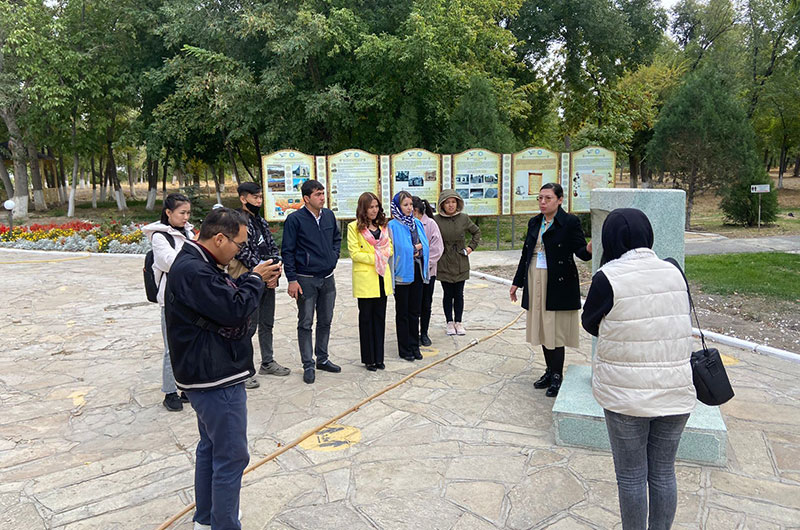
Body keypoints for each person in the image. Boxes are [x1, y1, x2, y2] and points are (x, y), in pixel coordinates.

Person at [164, 207, 281, 530]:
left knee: (211, 448)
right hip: (215, 376)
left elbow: (219, 299)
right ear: (218, 238)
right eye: (238, 244)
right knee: (231, 456)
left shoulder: (196, 261)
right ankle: (224, 523)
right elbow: (233, 309)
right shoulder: (194, 270)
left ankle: (206, 518)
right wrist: (255, 279)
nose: (239, 251)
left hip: (204, 372)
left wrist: (249, 279)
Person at [581, 208, 695, 530]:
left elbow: (590, 323)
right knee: (663, 472)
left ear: (609, 238)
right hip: (675, 389)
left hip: (625, 394)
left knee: (631, 477)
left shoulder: (607, 277)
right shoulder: (673, 270)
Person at [509, 183, 591, 397]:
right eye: (540, 198)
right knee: (543, 328)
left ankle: (557, 375)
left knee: (554, 330)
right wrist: (517, 282)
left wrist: (591, 247)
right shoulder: (535, 222)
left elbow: (581, 252)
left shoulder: (570, 222)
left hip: (557, 281)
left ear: (560, 200)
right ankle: (549, 370)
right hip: (534, 277)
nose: (543, 202)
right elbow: (526, 254)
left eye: (548, 198)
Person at [281, 179, 342, 384]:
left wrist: (333, 257)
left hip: (327, 278)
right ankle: (308, 364)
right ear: (306, 198)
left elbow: (336, 239)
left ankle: (322, 358)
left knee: (326, 320)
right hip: (305, 279)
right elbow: (287, 250)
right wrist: (291, 279)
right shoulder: (295, 220)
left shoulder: (329, 216)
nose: (322, 198)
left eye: (323, 193)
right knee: (306, 322)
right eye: (318, 194)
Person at [233, 182, 290, 390]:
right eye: (255, 197)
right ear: (243, 198)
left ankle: (267, 361)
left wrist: (275, 269)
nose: (259, 201)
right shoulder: (237, 221)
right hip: (250, 280)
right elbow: (242, 251)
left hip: (268, 280)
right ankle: (242, 370)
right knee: (248, 326)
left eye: (260, 197)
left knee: (267, 323)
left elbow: (272, 247)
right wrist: (262, 273)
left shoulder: (261, 221)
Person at [142, 193, 194, 412]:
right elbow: (171, 263)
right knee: (171, 347)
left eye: (188, 213)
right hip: (171, 299)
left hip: (191, 297)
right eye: (182, 213)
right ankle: (170, 392)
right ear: (168, 212)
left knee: (190, 344)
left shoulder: (189, 232)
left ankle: (186, 387)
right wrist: (193, 260)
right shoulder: (159, 236)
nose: (186, 217)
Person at [347, 192, 393, 371]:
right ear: (363, 209)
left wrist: (382, 255)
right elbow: (355, 253)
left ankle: (379, 357)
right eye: (370, 207)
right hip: (365, 279)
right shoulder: (354, 227)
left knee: (380, 318)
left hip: (382, 277)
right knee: (366, 319)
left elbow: (389, 248)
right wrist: (376, 257)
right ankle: (369, 359)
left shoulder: (383, 226)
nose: (374, 210)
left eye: (376, 206)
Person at [388, 191, 430, 361]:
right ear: (397, 207)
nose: (409, 208)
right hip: (402, 274)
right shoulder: (392, 226)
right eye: (405, 205)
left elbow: (425, 244)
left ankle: (414, 345)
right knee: (403, 313)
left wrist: (419, 248)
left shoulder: (416, 223)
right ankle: (404, 348)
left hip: (417, 272)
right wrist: (413, 248)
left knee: (415, 311)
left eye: (411, 204)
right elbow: (393, 250)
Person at [434, 189, 480, 336]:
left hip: (460, 260)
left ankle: (458, 321)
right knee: (448, 293)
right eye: (447, 202)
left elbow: (476, 232)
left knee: (459, 293)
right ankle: (449, 321)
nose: (451, 205)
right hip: (444, 260)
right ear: (442, 204)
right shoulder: (436, 220)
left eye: (453, 202)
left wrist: (470, 248)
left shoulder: (463, 218)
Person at [412, 196, 443, 347]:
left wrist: (425, 264)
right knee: (413, 305)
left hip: (427, 272)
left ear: (416, 210)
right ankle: (413, 334)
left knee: (426, 303)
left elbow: (437, 248)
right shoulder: (406, 224)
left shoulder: (430, 224)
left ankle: (424, 332)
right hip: (411, 272)